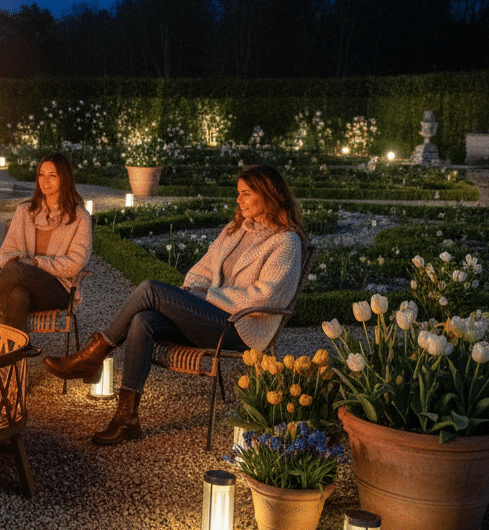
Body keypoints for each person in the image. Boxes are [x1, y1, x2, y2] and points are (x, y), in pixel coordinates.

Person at [45, 164, 305, 446]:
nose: (238, 200)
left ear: (268, 195)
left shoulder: (286, 242)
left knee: (149, 289)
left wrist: (209, 297)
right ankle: (126, 420)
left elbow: (267, 296)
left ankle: (93, 357)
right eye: (238, 194)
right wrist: (190, 292)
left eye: (246, 194)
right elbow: (202, 269)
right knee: (143, 319)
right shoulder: (236, 229)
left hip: (241, 328)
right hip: (211, 317)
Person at [0, 152, 92, 332]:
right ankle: (9, 353)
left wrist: (35, 263)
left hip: (58, 291)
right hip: (26, 287)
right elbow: (7, 251)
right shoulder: (24, 211)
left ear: (64, 178)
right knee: (18, 296)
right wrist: (24, 266)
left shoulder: (80, 217)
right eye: (41, 175)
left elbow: (76, 262)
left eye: (52, 176)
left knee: (14, 268)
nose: (45, 181)